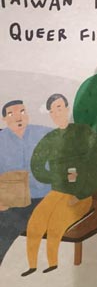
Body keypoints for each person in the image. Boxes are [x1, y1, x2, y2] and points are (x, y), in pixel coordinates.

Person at [22, 93, 97, 275]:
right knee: (35, 222)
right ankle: (32, 266)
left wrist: (81, 191)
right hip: (57, 192)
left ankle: (52, 263)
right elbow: (36, 165)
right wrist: (56, 177)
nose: (56, 113)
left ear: (67, 109)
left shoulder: (84, 133)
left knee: (56, 224)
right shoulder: (50, 138)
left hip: (81, 193)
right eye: (52, 111)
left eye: (59, 108)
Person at [0, 100, 51, 265]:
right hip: (10, 199)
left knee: (6, 224)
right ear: (4, 119)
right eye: (11, 113)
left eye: (22, 111)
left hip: (43, 198)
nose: (18, 117)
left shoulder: (44, 134)